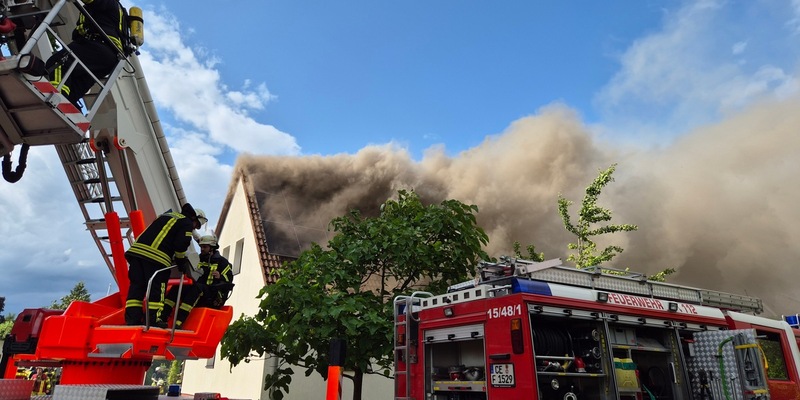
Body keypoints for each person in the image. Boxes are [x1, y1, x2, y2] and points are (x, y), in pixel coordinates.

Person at [124, 203, 207, 326]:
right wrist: (180, 261)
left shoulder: (167, 215)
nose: (194, 228)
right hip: (155, 257)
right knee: (157, 289)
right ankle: (153, 320)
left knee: (137, 288)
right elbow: (181, 244)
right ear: (195, 218)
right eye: (197, 225)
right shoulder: (186, 222)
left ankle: (132, 320)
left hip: (136, 254)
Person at [46, 0, 126, 108]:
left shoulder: (108, 2)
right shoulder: (117, 10)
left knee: (58, 62)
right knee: (75, 82)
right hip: (109, 59)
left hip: (98, 46)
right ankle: (68, 105)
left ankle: (56, 97)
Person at [159, 234, 233, 328]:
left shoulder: (222, 262)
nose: (202, 249)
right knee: (178, 287)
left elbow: (229, 280)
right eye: (201, 247)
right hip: (197, 289)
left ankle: (178, 323)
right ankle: (162, 317)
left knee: (196, 289)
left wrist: (220, 276)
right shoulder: (197, 259)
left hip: (212, 294)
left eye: (204, 247)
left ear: (212, 248)